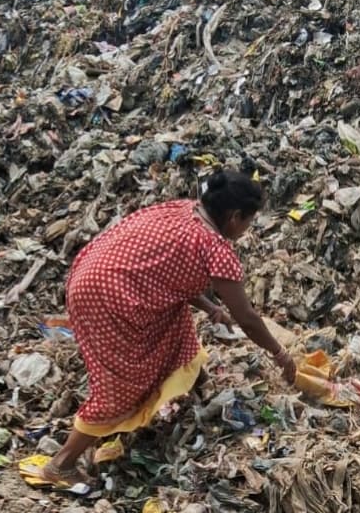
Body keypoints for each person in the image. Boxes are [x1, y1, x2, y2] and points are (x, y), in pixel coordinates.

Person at [22, 170, 297, 492]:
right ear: (235, 217)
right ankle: (61, 465)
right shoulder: (215, 249)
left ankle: (198, 388)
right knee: (121, 386)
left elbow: (162, 272)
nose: (247, 230)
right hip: (109, 300)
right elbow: (247, 318)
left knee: (176, 323)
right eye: (249, 221)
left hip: (89, 278)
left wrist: (209, 308)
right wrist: (280, 354)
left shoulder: (180, 211)